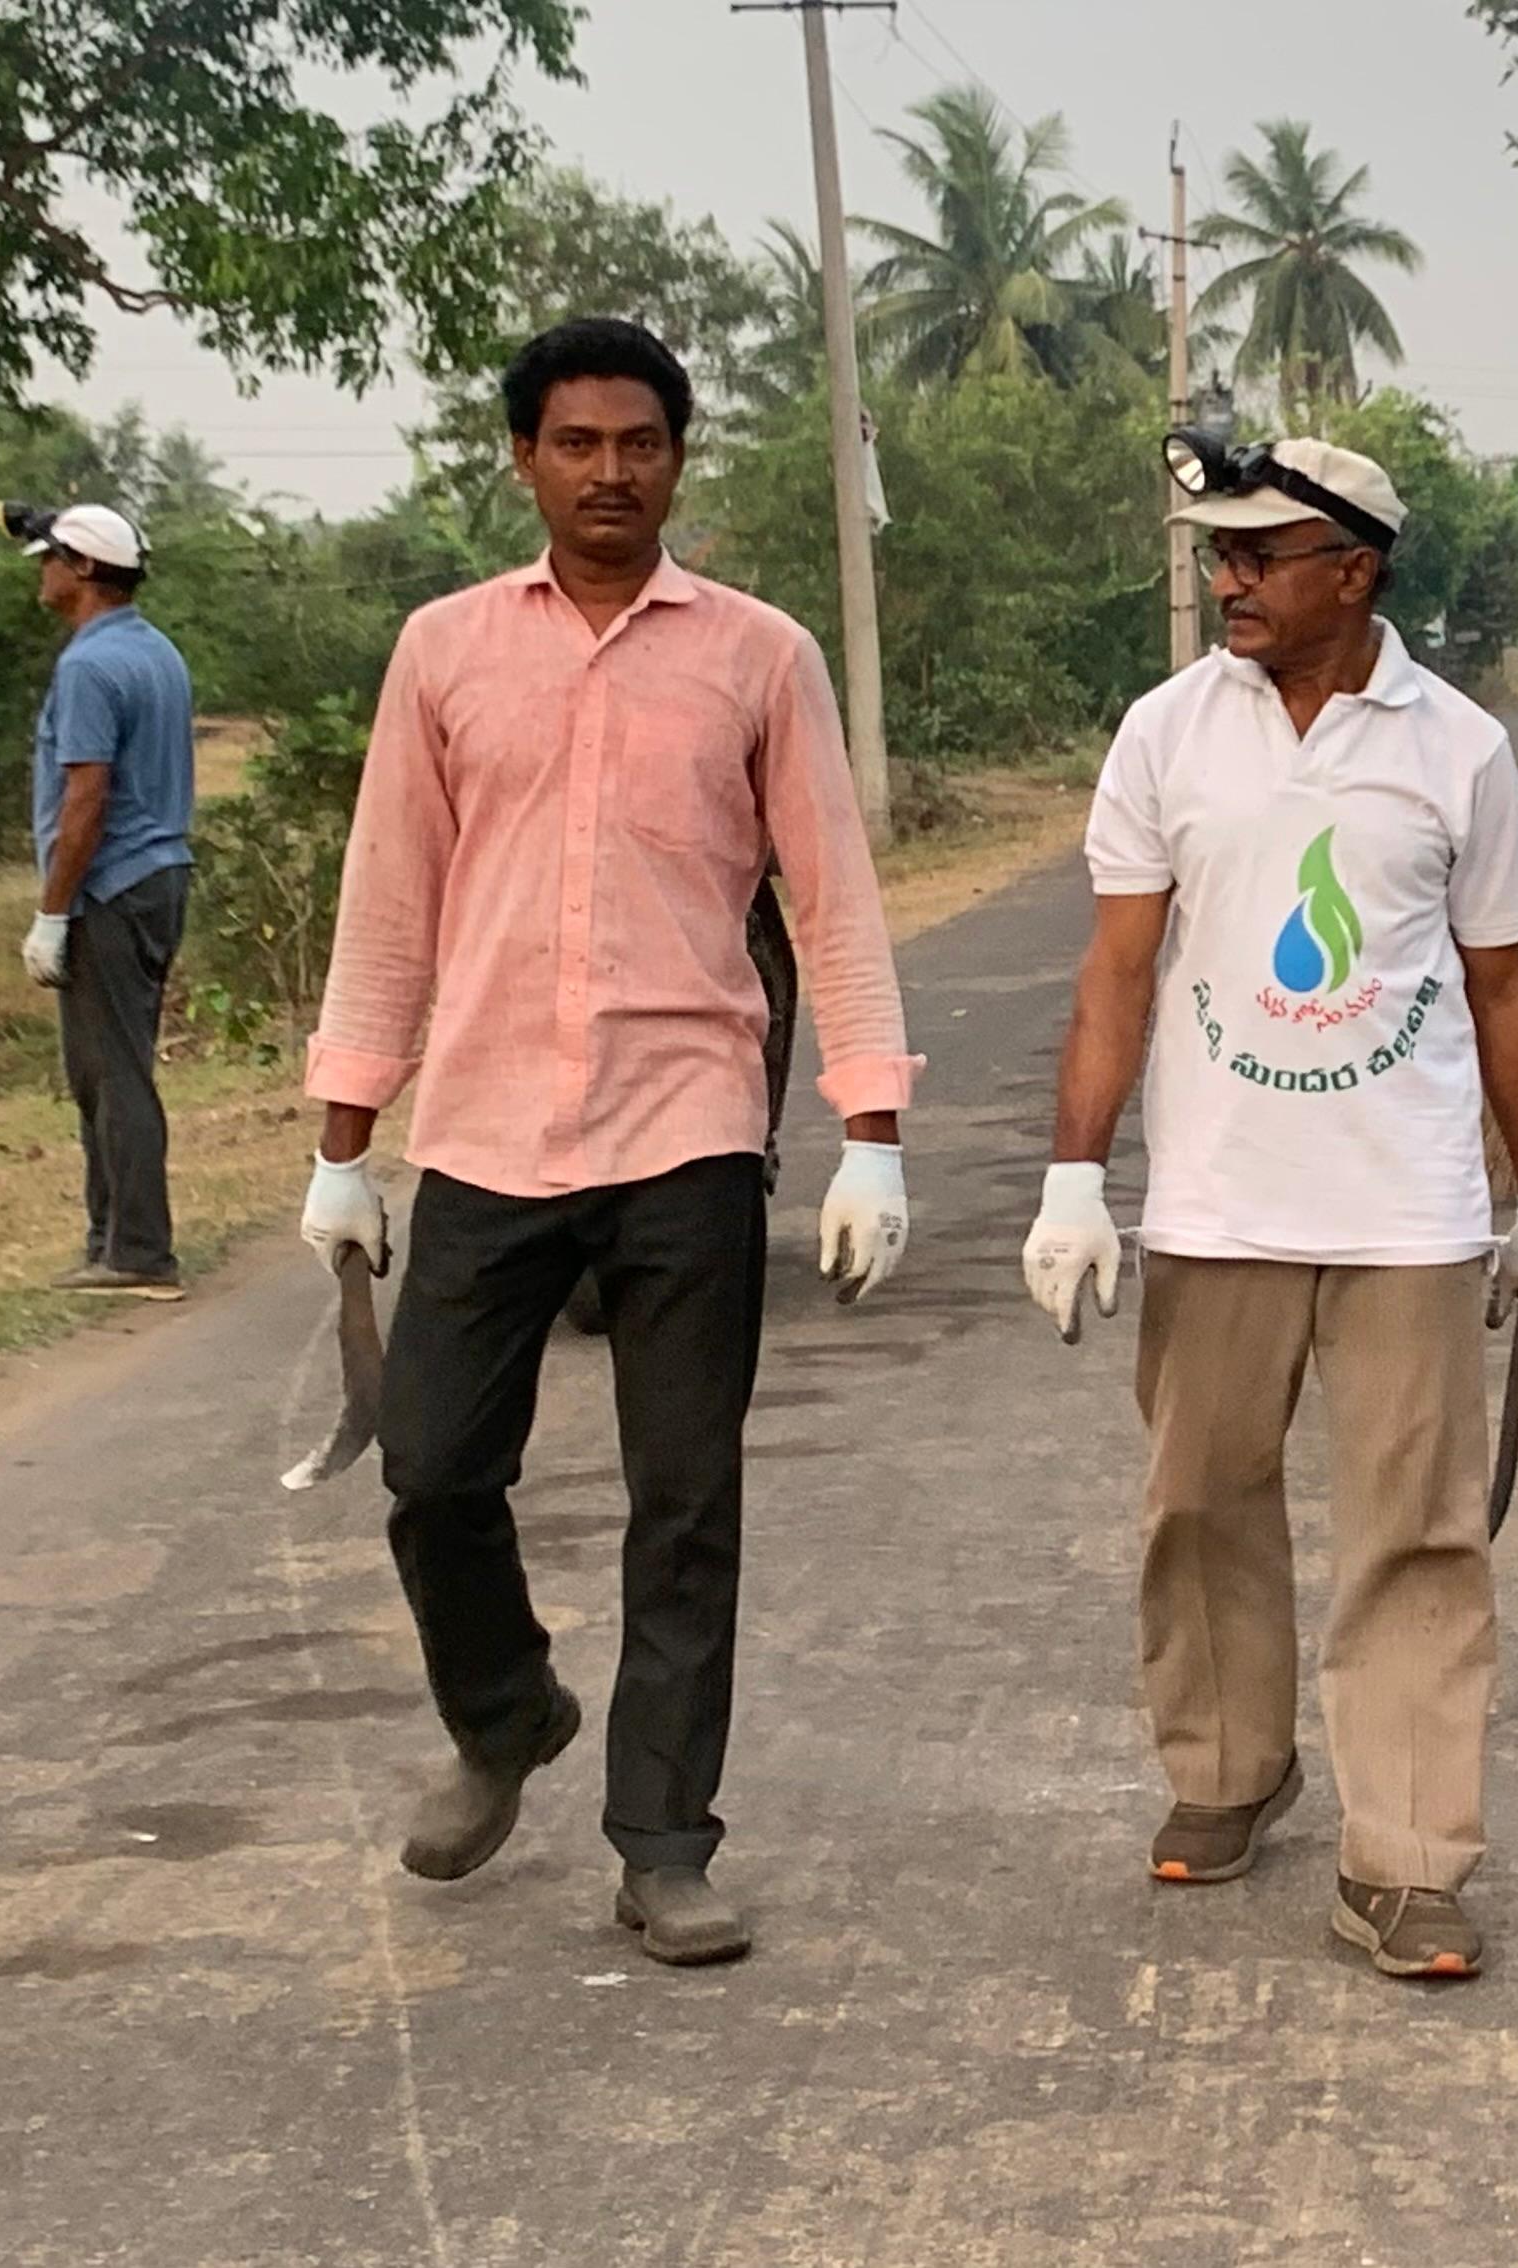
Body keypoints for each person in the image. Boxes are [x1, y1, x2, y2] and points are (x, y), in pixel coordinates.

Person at [296, 316, 919, 1969]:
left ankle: (663, 1842)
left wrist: (870, 1129)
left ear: (677, 459)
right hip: (487, 1130)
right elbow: (389, 899)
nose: (610, 473)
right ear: (525, 460)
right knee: (432, 1465)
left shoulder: (758, 655)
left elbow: (832, 898)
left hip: (687, 1129)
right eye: (575, 443)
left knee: (685, 1498)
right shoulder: (443, 651)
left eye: (640, 443)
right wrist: (345, 1145)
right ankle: (506, 1712)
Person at [1022, 432, 1518, 1984]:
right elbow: (1117, 969)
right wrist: (1075, 1177)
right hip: (1217, 1205)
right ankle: (1227, 1763)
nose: (1230, 581)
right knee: (1199, 1504)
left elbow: (1502, 989)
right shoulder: (1167, 734)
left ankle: (1408, 1857)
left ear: (1357, 570)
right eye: (1221, 553)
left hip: (1406, 1213)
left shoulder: (1456, 748)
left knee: (1416, 1536)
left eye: (1262, 555)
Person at [9, 499, 195, 1299]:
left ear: (83, 569)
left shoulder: (87, 667)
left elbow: (86, 797)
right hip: (159, 874)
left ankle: (139, 1251)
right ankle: (109, 1238)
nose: (43, 575)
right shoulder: (155, 651)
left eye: (52, 560)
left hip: (111, 884)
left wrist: (53, 913)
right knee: (106, 1068)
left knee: (112, 1074)